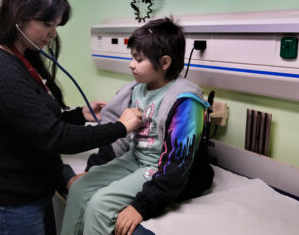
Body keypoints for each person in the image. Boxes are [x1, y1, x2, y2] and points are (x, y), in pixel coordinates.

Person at [0, 0, 142, 235]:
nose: (52, 33)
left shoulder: (21, 59)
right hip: (8, 207)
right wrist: (119, 128)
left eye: (56, 25)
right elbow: (53, 136)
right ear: (18, 17)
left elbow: (34, 119)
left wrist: (80, 114)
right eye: (47, 24)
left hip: (32, 195)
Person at [60, 17, 215, 235]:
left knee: (100, 205)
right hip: (134, 158)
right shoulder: (137, 89)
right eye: (132, 57)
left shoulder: (186, 101)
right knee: (78, 189)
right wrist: (93, 170)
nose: (131, 64)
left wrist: (141, 207)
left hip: (157, 167)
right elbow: (120, 136)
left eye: (138, 59)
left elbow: (177, 164)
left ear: (165, 62)